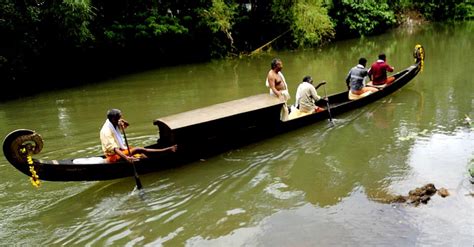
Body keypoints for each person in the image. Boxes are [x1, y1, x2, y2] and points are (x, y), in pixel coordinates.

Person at [100, 109, 177, 163]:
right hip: (113, 156)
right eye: (119, 117)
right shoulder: (106, 131)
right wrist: (126, 158)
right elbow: (114, 149)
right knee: (138, 149)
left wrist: (123, 121)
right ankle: (168, 149)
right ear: (113, 119)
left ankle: (148, 162)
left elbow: (127, 125)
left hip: (120, 150)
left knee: (142, 154)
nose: (120, 119)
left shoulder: (114, 123)